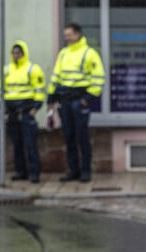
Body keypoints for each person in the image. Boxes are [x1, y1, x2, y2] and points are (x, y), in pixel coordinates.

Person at [45, 23, 104, 183]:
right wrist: (51, 97)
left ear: (78, 34)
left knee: (82, 137)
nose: (67, 38)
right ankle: (73, 170)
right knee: (69, 136)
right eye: (65, 35)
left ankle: (85, 171)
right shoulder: (63, 53)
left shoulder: (89, 53)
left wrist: (87, 99)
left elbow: (99, 78)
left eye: (69, 35)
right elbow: (56, 76)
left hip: (79, 100)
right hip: (65, 100)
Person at [0, 41, 46, 183]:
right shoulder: (7, 70)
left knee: (30, 144)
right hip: (12, 112)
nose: (16, 55)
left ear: (24, 54)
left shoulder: (32, 69)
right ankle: (20, 171)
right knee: (16, 144)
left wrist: (36, 107)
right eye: (14, 53)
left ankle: (34, 173)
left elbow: (39, 90)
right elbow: (0, 90)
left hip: (26, 111)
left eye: (18, 53)